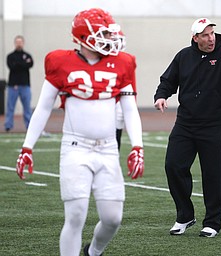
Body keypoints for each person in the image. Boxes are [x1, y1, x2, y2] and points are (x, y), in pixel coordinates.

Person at [15, 8, 144, 256]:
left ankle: (93, 251)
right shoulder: (60, 62)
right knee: (75, 215)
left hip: (107, 148)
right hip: (76, 148)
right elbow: (43, 108)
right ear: (85, 36)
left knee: (113, 218)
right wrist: (27, 147)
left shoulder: (123, 63)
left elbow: (130, 110)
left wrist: (137, 147)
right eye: (104, 33)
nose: (110, 38)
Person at [154, 18, 221, 238]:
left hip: (214, 124)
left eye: (212, 34)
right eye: (205, 35)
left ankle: (212, 222)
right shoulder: (183, 56)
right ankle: (185, 215)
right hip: (185, 123)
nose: (211, 38)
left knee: (213, 174)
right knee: (173, 166)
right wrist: (161, 96)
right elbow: (168, 80)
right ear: (195, 38)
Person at [5, 35, 33, 132]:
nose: (19, 44)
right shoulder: (10, 56)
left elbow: (30, 64)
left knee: (27, 107)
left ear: (23, 43)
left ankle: (29, 125)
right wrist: (23, 64)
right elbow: (11, 66)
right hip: (13, 86)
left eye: (20, 42)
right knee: (10, 107)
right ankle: (8, 125)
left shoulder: (28, 55)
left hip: (25, 85)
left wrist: (18, 64)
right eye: (17, 42)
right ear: (15, 43)